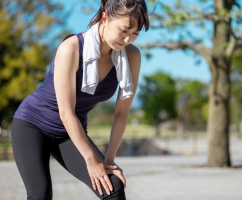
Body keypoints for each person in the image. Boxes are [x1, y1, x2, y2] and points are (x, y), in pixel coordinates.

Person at [11, 0, 150, 199]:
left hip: (70, 133)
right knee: (40, 194)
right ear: (105, 17)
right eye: (124, 30)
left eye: (135, 33)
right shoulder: (71, 48)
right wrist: (91, 160)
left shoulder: (132, 56)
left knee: (113, 186)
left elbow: (121, 112)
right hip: (32, 124)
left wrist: (109, 160)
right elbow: (66, 112)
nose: (127, 39)